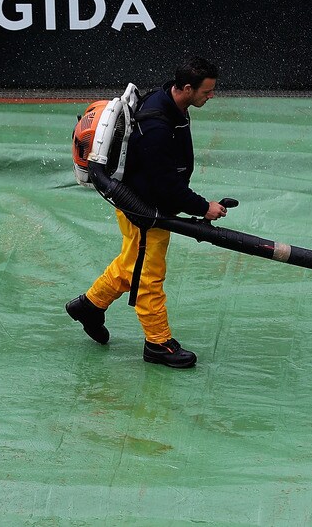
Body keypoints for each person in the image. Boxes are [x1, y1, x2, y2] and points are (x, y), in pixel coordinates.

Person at [66, 57, 228, 368]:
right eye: (207, 92)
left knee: (132, 265)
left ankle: (89, 306)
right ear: (186, 88)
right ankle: (158, 343)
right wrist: (203, 207)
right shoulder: (156, 127)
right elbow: (166, 185)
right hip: (144, 212)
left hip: (144, 205)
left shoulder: (168, 100)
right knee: (148, 277)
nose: (211, 96)